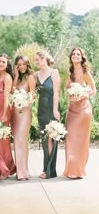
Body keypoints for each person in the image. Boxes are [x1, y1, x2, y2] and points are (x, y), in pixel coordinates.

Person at [63, 47, 96, 179]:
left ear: (82, 57)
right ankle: (71, 169)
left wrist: (82, 94)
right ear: (71, 57)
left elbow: (93, 90)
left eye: (78, 54)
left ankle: (78, 170)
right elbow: (67, 88)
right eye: (73, 54)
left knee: (81, 141)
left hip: (83, 110)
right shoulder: (70, 71)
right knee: (70, 139)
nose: (75, 56)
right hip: (72, 110)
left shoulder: (85, 72)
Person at [35, 51, 60, 179]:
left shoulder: (54, 73)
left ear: (45, 59)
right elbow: (32, 92)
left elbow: (56, 93)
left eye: (37, 59)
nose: (36, 62)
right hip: (41, 110)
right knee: (45, 140)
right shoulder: (35, 75)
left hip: (52, 107)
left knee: (52, 138)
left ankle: (50, 170)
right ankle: (47, 169)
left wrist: (55, 110)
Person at [0, 54, 16, 180]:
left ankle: (5, 169)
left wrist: (5, 114)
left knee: (2, 139)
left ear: (7, 65)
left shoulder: (7, 77)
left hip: (4, 110)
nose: (0, 63)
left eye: (3, 62)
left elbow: (7, 97)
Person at [11, 55, 36, 180]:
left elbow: (33, 95)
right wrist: (15, 76)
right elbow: (11, 91)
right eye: (19, 64)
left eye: (24, 64)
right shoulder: (16, 78)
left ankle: (24, 170)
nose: (21, 67)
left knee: (22, 139)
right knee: (17, 140)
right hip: (15, 112)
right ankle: (20, 172)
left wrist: (24, 103)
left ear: (27, 65)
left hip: (25, 112)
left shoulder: (30, 77)